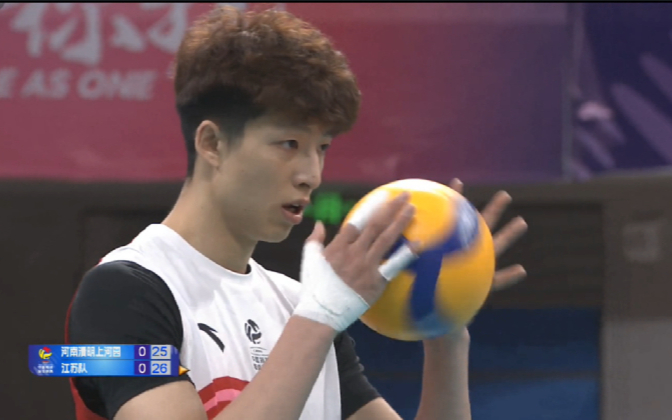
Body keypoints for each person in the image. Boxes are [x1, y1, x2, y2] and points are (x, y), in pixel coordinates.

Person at [65, 5, 528, 420]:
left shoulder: (297, 306)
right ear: (212, 143)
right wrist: (320, 318)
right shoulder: (114, 295)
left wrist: (445, 329)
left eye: (321, 147)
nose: (312, 175)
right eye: (289, 144)